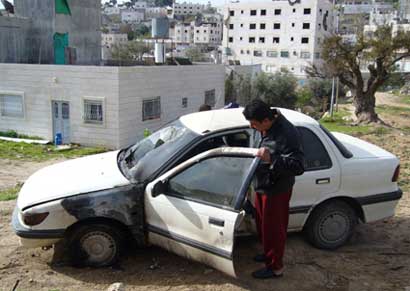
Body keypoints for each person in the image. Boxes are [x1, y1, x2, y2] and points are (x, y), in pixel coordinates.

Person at [242, 99, 305, 279]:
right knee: (263, 226)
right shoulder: (263, 127)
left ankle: (275, 267)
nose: (252, 128)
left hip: (276, 189)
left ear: (266, 120)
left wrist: (272, 159)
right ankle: (268, 253)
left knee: (274, 230)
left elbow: (298, 166)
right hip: (262, 185)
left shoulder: (287, 133)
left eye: (254, 124)